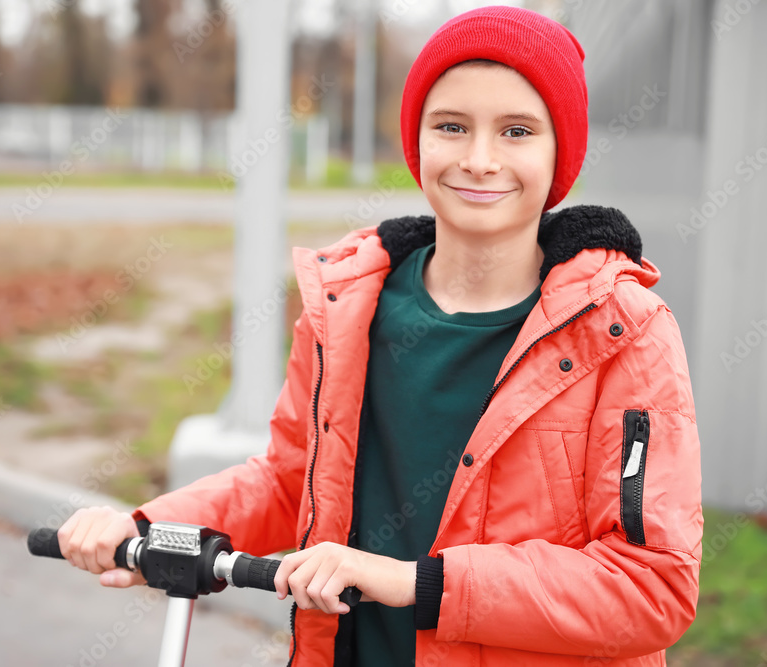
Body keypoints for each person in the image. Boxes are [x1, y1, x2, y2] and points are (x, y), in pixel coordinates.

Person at [56, 6, 703, 666]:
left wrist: (414, 582)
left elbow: (650, 585)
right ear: (416, 141)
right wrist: (147, 527)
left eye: (517, 130)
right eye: (451, 126)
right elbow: (288, 483)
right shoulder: (347, 308)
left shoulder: (624, 331)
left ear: (560, 151)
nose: (480, 160)